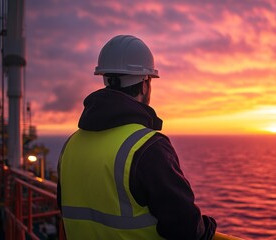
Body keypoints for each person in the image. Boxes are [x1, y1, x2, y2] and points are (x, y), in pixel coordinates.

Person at [57, 35, 217, 239]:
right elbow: (187, 229)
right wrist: (209, 228)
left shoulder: (71, 145)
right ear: (144, 84)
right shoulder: (148, 147)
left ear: (106, 79)